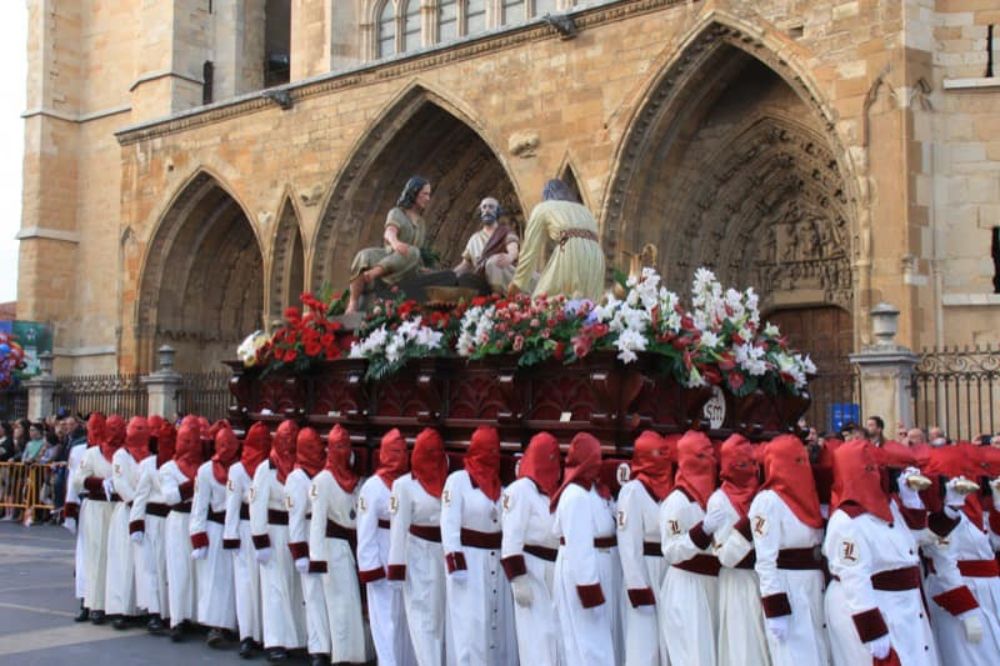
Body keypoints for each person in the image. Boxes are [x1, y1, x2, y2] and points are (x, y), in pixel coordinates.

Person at [824, 440, 979, 665]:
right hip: (875, 606)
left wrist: (947, 508)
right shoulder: (847, 520)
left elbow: (917, 541)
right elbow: (854, 580)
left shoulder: (890, 508)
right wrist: (872, 631)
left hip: (905, 605)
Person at [748, 434, 829, 666]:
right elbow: (765, 559)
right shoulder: (768, 501)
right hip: (789, 588)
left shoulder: (810, 496)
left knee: (819, 653)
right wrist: (775, 607)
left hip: (813, 585)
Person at [441, 425, 517, 666]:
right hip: (469, 564)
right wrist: (455, 563)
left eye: (496, 450)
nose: (492, 455)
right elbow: (448, 523)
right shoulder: (457, 481)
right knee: (470, 624)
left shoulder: (502, 487)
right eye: (487, 449)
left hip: (496, 562)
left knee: (496, 624)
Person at [921, 443, 999, 663]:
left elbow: (993, 543)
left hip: (988, 591)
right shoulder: (942, 513)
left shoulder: (972, 507)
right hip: (961, 592)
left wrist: (998, 506)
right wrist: (966, 610)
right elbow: (943, 561)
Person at [550, 431, 618, 665]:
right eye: (595, 457)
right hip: (582, 575)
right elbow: (579, 547)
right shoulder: (575, 496)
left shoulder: (592, 491)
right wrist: (589, 589)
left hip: (595, 568)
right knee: (587, 644)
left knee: (595, 641)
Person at [386, 427, 451, 666]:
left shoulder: (450, 482)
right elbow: (398, 528)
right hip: (418, 556)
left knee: (441, 616)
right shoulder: (404, 485)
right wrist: (396, 568)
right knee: (423, 616)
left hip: (443, 556)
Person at [705, 434, 770, 666]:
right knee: (742, 645)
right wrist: (747, 525)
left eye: (753, 464)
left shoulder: (762, 495)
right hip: (737, 581)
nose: (750, 471)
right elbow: (725, 555)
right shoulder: (719, 501)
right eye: (743, 465)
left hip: (761, 578)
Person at [307, 424, 368, 665]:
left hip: (351, 547)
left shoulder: (357, 480)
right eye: (338, 447)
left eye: (346, 446)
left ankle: (356, 653)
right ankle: (341, 655)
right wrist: (317, 557)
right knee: (339, 604)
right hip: (332, 548)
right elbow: (317, 521)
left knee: (353, 603)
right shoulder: (322, 481)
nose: (343, 451)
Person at [501, 431, 563, 666]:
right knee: (535, 638)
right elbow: (511, 536)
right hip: (531, 570)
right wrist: (518, 579)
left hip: (553, 569)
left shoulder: (553, 491)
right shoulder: (521, 490)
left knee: (552, 635)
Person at [659, 430, 720, 666]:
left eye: (711, 455)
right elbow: (671, 549)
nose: (711, 462)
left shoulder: (712, 498)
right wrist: (701, 532)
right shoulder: (676, 501)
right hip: (687, 586)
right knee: (694, 655)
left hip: (711, 585)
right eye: (703, 456)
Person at [356, 428, 415, 666]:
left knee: (405, 618)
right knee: (384, 617)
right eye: (394, 451)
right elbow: (365, 529)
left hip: (406, 557)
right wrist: (371, 567)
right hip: (382, 557)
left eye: (403, 451)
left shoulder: (410, 482)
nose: (399, 456)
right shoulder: (373, 486)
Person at [250, 419, 307, 662]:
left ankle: (296, 639)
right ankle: (275, 641)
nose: (288, 443)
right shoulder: (266, 469)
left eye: (292, 438)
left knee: (294, 587)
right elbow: (256, 504)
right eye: (284, 438)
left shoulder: (300, 467)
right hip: (273, 533)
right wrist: (260, 539)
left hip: (294, 533)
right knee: (274, 588)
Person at [617, 430, 672, 666]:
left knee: (665, 642)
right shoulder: (633, 491)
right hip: (644, 572)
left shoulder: (670, 490)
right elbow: (628, 544)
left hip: (667, 571)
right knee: (643, 643)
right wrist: (638, 586)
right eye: (656, 453)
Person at [509, 179, 605, 302]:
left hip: (570, 250)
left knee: (543, 302)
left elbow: (529, 250)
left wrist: (517, 283)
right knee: (587, 306)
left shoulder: (543, 208)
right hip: (596, 256)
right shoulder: (585, 211)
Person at [346, 177, 431, 313]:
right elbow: (389, 232)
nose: (428, 198)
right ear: (414, 193)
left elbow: (417, 251)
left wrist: (422, 267)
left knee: (414, 251)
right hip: (390, 254)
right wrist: (396, 243)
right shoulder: (397, 213)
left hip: (408, 263)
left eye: (429, 194)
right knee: (363, 255)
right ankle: (353, 302)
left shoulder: (421, 224)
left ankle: (375, 272)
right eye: (425, 194)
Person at [189, 423, 240, 648]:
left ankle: (234, 624)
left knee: (235, 578)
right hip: (215, 527)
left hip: (236, 529)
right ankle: (215, 625)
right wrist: (198, 536)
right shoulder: (206, 471)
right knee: (214, 578)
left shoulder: (240, 468)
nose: (226, 447)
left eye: (230, 443)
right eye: (222, 443)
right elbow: (199, 506)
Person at [223, 421, 271, 657]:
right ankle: (248, 634)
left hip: (266, 530)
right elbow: (232, 504)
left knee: (266, 584)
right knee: (245, 583)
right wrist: (231, 536)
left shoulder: (272, 469)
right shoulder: (238, 470)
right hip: (243, 530)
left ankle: (266, 633)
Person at [72, 413, 124, 625]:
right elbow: (78, 480)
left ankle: (116, 604)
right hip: (96, 508)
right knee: (95, 557)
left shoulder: (125, 454)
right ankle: (94, 603)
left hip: (117, 509)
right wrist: (100, 483)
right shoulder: (92, 453)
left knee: (117, 557)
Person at [286, 427, 331, 666]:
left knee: (327, 594)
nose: (318, 451)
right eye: (311, 446)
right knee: (312, 595)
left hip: (326, 536)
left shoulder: (325, 472)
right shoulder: (297, 478)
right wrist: (300, 552)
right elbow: (295, 516)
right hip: (308, 534)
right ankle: (318, 648)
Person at [129, 418, 176, 635]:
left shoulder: (178, 464)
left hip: (173, 520)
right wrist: (136, 524)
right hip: (153, 519)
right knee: (152, 567)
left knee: (171, 567)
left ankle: (171, 612)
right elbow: (140, 495)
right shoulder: (148, 465)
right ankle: (155, 612)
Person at [105, 416, 150, 629]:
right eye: (136, 428)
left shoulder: (150, 455)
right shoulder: (121, 455)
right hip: (128, 512)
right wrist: (136, 503)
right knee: (123, 560)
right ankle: (120, 608)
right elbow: (120, 483)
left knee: (142, 562)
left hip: (144, 514)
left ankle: (141, 607)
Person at [160, 419, 203, 641]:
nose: (190, 444)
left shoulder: (205, 466)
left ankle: (195, 614)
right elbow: (170, 496)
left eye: (194, 440)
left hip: (198, 520)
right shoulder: (169, 467)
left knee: (198, 570)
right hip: (178, 520)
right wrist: (194, 484)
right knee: (178, 569)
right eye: (185, 440)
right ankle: (178, 618)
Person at [64, 413, 105, 622]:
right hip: (86, 506)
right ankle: (85, 600)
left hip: (106, 508)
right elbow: (73, 482)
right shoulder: (79, 450)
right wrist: (69, 510)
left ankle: (100, 602)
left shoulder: (112, 451)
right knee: (85, 555)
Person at [454, 197, 520, 293]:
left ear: (497, 211)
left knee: (493, 262)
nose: (487, 210)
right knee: (464, 280)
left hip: (504, 276)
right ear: (480, 212)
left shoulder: (505, 232)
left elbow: (513, 249)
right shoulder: (474, 239)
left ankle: (499, 295)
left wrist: (510, 256)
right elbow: (466, 264)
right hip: (482, 279)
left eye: (491, 207)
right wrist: (451, 274)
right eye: (484, 207)